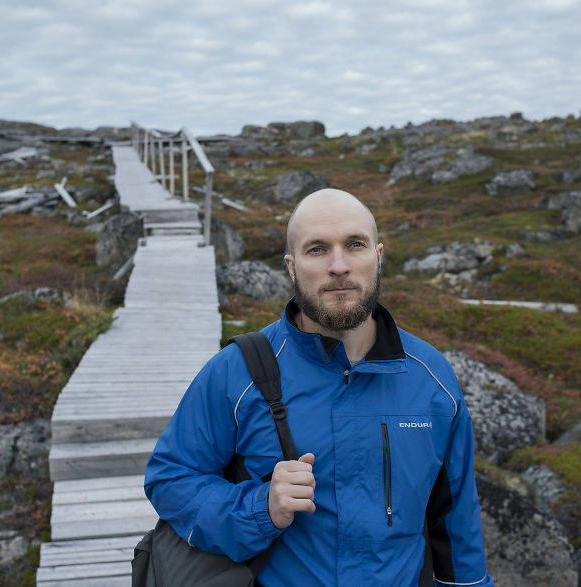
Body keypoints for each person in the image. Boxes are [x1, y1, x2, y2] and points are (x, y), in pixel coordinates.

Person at [144, 188, 493, 586]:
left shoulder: (432, 378)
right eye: (317, 250)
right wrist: (260, 508)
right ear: (292, 268)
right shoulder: (235, 372)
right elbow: (170, 477)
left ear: (378, 257)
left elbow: (456, 523)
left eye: (355, 245)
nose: (339, 265)